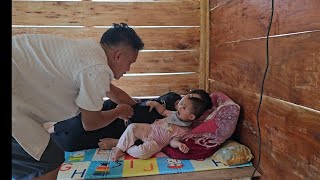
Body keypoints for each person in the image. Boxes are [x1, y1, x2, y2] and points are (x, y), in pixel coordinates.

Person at [12, 23, 144, 180]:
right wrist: (118, 111)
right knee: (50, 160)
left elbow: (112, 91)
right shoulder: (96, 68)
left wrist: (136, 105)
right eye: (131, 62)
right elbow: (90, 123)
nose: (129, 69)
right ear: (118, 56)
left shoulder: (90, 53)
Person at [44, 89, 212, 151]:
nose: (183, 102)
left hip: (123, 130)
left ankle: (49, 136)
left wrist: (118, 142)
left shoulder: (179, 124)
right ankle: (52, 127)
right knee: (77, 119)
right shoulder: (172, 99)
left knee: (71, 142)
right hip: (121, 111)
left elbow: (158, 139)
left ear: (194, 114)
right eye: (187, 97)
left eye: (189, 104)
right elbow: (148, 102)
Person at [111, 94, 208, 161]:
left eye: (184, 107)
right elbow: (162, 111)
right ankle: (119, 149)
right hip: (150, 129)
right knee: (132, 127)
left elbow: (172, 141)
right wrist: (155, 104)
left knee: (143, 152)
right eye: (181, 104)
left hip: (157, 143)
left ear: (191, 117)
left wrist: (178, 144)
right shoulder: (173, 114)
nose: (180, 107)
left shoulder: (184, 130)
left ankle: (127, 149)